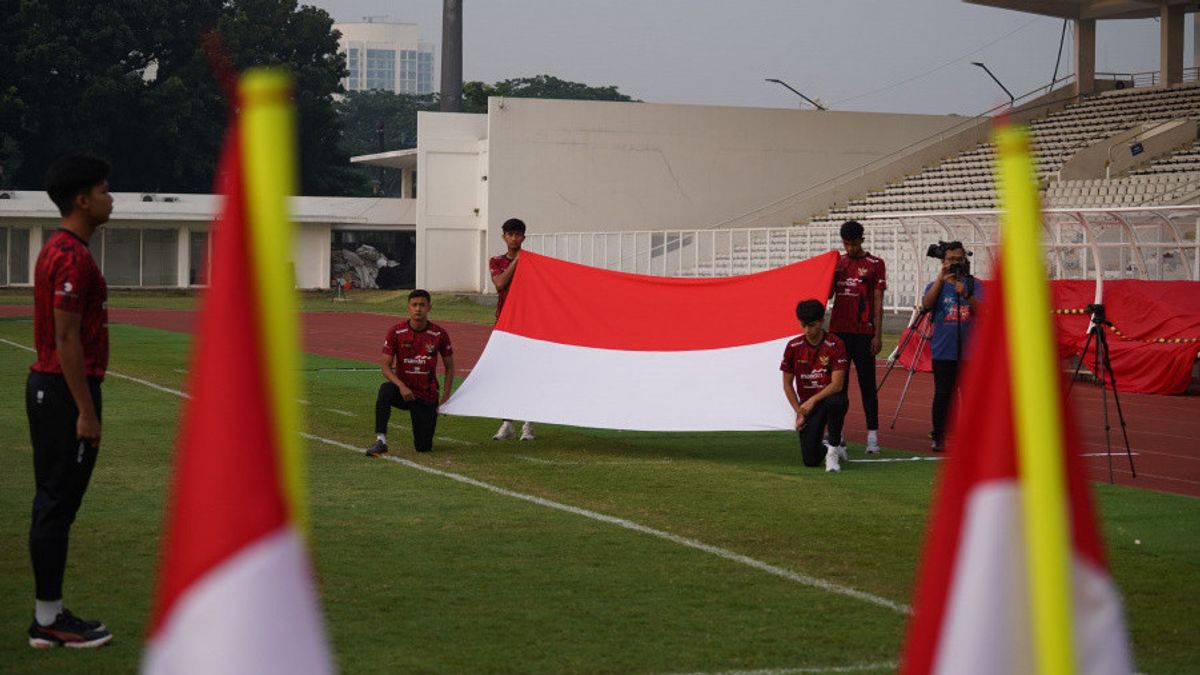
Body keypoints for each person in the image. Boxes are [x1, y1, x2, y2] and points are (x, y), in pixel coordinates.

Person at [26, 155, 114, 648]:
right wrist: (85, 409)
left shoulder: (63, 249)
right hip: (62, 390)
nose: (110, 197)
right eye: (103, 190)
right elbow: (66, 338)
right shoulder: (71, 256)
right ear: (82, 199)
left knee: (54, 504)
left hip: (55, 386)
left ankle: (50, 613)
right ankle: (48, 620)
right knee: (56, 505)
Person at [365, 289, 456, 455]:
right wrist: (401, 386)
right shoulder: (396, 332)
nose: (418, 309)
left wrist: (446, 397)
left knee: (423, 447)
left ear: (429, 307)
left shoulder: (439, 334)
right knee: (385, 390)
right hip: (404, 393)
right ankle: (381, 440)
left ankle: (423, 433)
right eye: (414, 305)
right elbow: (385, 366)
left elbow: (450, 366)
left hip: (426, 395)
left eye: (422, 305)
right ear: (408, 307)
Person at [828, 220, 886, 454]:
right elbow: (828, 293)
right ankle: (837, 435)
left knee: (867, 386)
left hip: (864, 333)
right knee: (838, 387)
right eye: (846, 244)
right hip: (839, 333)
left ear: (862, 240)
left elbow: (879, 301)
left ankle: (872, 435)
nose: (850, 248)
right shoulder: (837, 263)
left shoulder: (875, 264)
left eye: (853, 244)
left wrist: (877, 335)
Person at [921, 241, 982, 452]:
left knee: (971, 395)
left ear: (965, 259)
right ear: (943, 261)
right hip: (943, 350)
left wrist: (966, 293)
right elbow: (927, 305)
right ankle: (939, 435)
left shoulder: (974, 284)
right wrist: (941, 278)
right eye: (950, 260)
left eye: (958, 259)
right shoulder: (935, 285)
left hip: (969, 352)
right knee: (943, 395)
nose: (955, 263)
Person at [781, 299, 851, 472]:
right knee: (810, 460)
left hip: (827, 399)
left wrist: (812, 401)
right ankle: (827, 447)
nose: (807, 330)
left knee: (838, 401)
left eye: (811, 325)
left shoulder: (836, 344)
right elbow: (787, 384)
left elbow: (837, 385)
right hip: (808, 407)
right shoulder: (793, 346)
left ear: (821, 321)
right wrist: (800, 411)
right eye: (803, 325)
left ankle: (834, 448)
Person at [488, 217, 535, 441]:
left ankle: (528, 424)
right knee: (505, 374)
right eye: (510, 234)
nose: (514, 238)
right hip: (505, 324)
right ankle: (507, 423)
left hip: (528, 325)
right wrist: (518, 261)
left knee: (528, 374)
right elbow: (499, 284)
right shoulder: (496, 261)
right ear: (504, 237)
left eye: (518, 234)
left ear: (524, 237)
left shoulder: (533, 263)